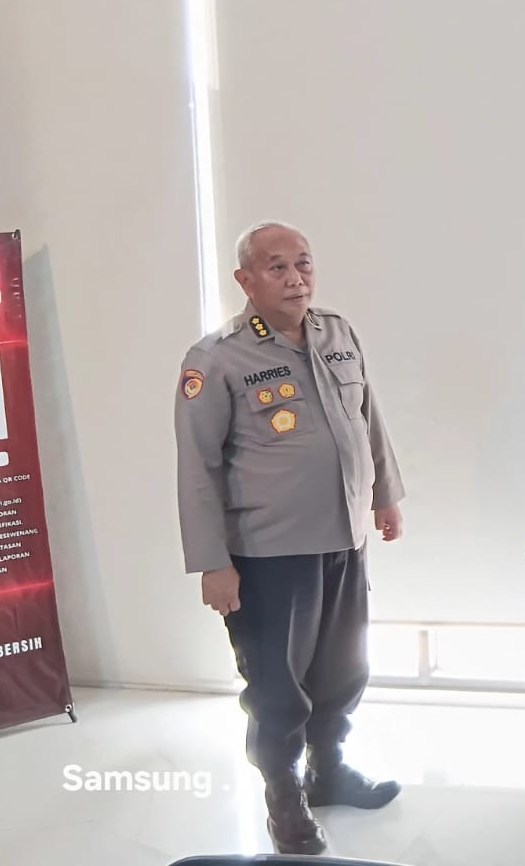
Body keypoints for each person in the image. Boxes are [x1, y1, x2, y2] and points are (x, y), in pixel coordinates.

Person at [175, 222, 405, 857]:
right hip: (267, 552)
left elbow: (368, 419)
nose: (295, 278)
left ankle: (328, 772)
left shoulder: (337, 332)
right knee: (277, 688)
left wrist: (384, 494)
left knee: (343, 669)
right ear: (245, 280)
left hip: (343, 538)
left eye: (303, 263)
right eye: (276, 267)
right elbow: (197, 468)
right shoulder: (216, 358)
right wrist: (212, 563)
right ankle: (283, 799)